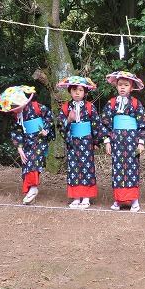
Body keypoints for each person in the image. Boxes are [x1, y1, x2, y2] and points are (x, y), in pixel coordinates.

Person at [0, 85, 55, 205]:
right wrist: (20, 148)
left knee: (33, 163)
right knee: (26, 163)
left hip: (39, 140)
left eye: (16, 105)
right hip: (27, 142)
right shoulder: (16, 116)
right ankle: (29, 189)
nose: (15, 109)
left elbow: (50, 118)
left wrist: (46, 131)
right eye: (12, 107)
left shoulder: (38, 107)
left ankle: (33, 189)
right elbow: (17, 131)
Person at [101, 71, 145, 212]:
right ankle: (118, 200)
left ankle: (134, 200)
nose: (122, 87)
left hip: (132, 140)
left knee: (132, 169)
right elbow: (104, 123)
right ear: (116, 86)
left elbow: (142, 123)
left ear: (131, 87)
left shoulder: (136, 104)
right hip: (116, 140)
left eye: (126, 85)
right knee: (117, 169)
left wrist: (141, 142)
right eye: (120, 85)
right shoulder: (111, 103)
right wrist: (107, 141)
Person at [55, 76, 102, 209]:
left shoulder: (89, 107)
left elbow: (96, 124)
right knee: (74, 169)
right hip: (73, 143)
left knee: (87, 168)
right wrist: (68, 120)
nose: (77, 93)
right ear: (69, 91)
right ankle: (76, 197)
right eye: (74, 89)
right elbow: (59, 125)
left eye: (80, 90)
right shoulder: (65, 108)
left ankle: (86, 197)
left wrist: (96, 141)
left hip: (86, 142)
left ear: (85, 92)